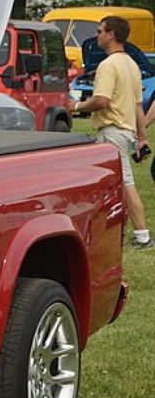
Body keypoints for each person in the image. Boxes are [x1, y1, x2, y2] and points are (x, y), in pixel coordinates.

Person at [71, 15, 150, 248]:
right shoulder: (132, 65)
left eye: (99, 31)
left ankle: (143, 235)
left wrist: (75, 106)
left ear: (111, 34)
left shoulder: (108, 65)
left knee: (125, 182)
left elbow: (101, 101)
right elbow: (137, 106)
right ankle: (111, 230)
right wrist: (143, 137)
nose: (97, 36)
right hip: (126, 130)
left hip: (112, 131)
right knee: (110, 185)